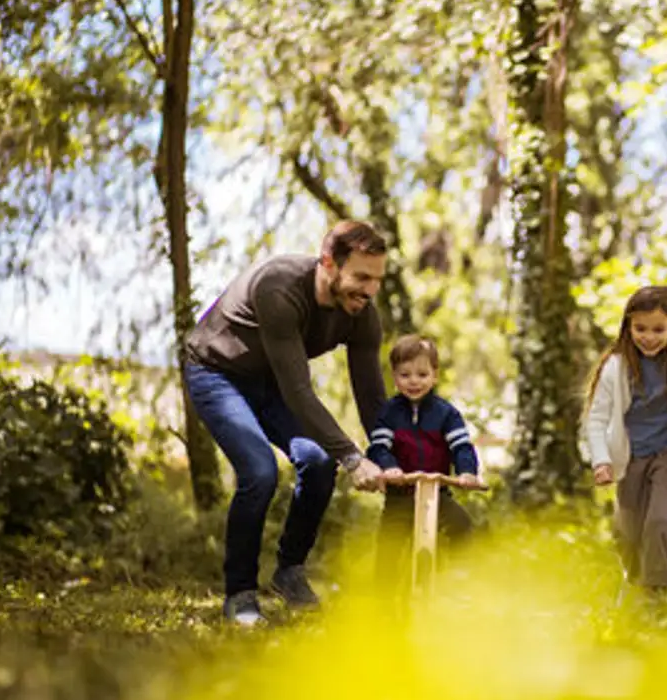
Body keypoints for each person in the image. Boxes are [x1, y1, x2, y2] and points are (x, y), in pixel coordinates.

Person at [184, 220, 390, 626]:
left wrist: (388, 455)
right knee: (260, 471)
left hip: (271, 381)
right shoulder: (279, 288)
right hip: (217, 373)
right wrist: (352, 457)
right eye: (361, 277)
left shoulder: (361, 312)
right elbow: (299, 391)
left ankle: (288, 571)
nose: (370, 290)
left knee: (316, 461)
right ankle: (240, 595)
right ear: (329, 263)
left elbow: (371, 397)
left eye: (378, 280)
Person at [583, 286, 667, 597]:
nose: (649, 337)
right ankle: (635, 580)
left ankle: (655, 595)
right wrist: (601, 460)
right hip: (631, 457)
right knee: (628, 533)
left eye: (659, 329)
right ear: (628, 327)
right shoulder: (617, 366)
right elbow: (597, 419)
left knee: (660, 521)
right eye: (640, 328)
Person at [368, 334, 484, 581]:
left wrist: (467, 472)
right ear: (395, 377)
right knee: (388, 550)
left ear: (435, 375)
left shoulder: (447, 414)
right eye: (405, 375)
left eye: (422, 374)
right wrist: (390, 468)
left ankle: (458, 579)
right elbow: (379, 447)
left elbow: (461, 446)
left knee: (462, 526)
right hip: (400, 496)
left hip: (436, 494)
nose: (414, 382)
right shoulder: (388, 413)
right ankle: (381, 603)